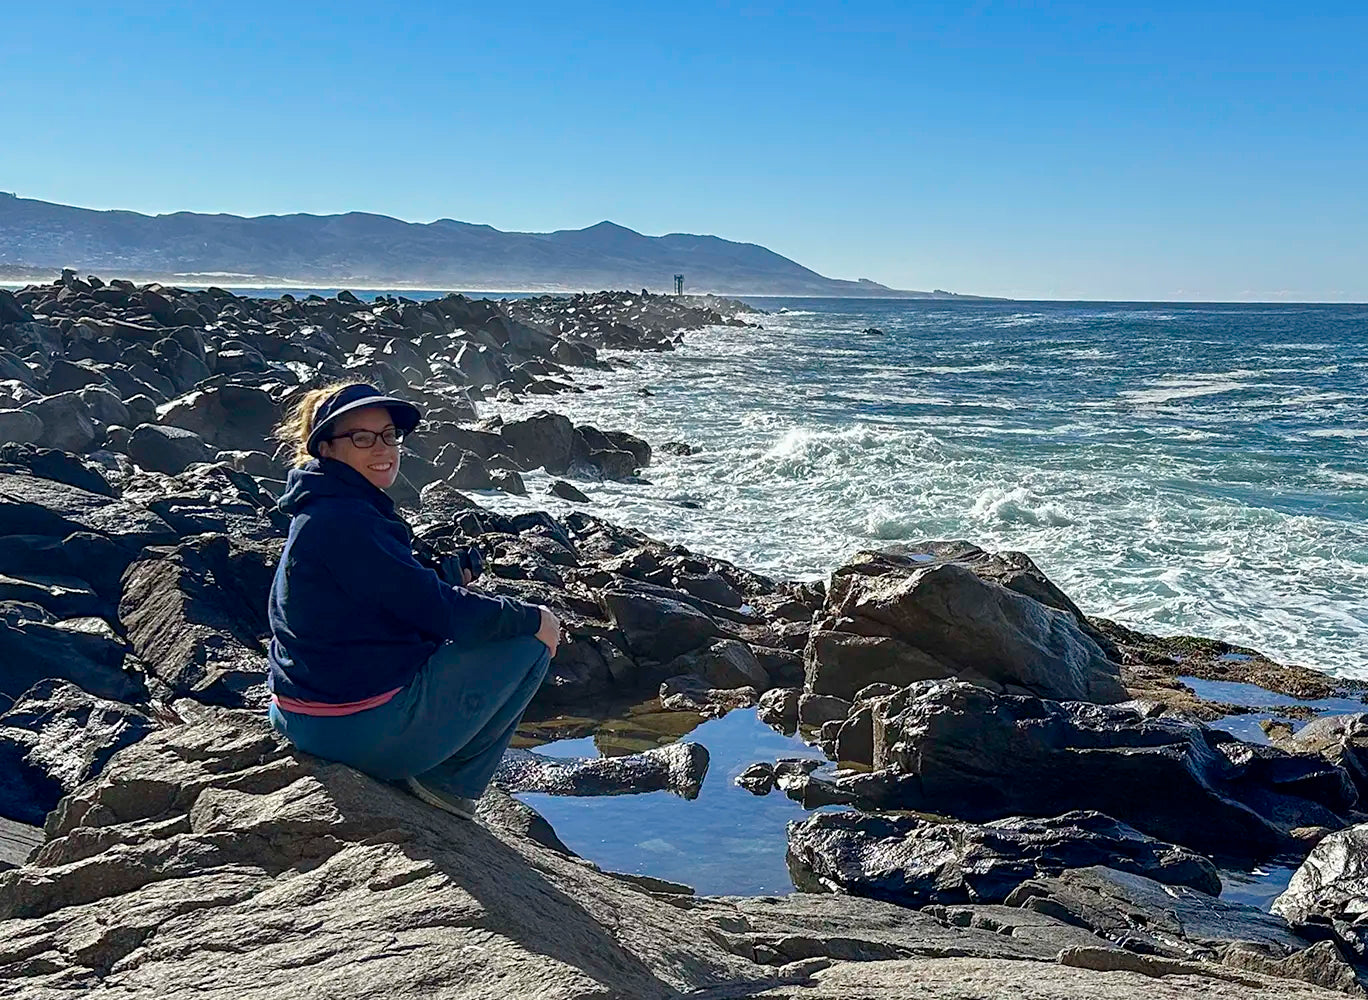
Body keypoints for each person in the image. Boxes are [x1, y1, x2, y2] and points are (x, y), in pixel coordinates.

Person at [265, 381, 560, 819]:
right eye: (362, 438)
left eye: (388, 436)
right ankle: (449, 783)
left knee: (490, 621)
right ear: (325, 448)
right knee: (532, 637)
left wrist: (443, 578)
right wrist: (533, 616)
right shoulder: (347, 521)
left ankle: (427, 761)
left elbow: (386, 593)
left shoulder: (324, 506)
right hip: (349, 730)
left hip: (300, 713)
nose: (382, 448)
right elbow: (441, 613)